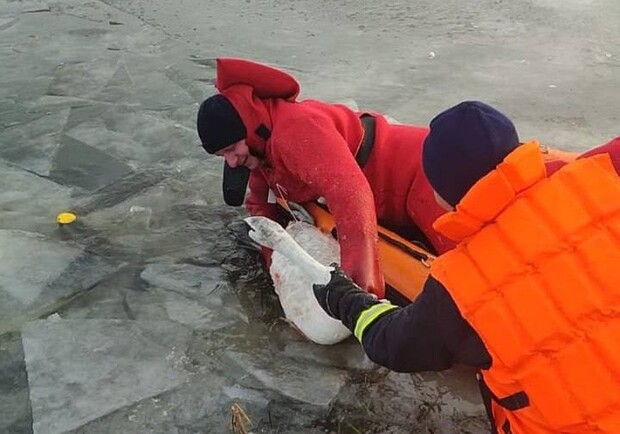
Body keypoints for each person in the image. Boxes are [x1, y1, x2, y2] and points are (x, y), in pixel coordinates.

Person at [312, 101, 620, 434]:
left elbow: (396, 344)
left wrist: (345, 300)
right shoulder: (600, 177)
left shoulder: (460, 286)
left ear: (442, 194)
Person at [196, 57, 458, 298]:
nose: (232, 162)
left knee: (462, 273)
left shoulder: (296, 129)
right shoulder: (259, 148)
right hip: (385, 195)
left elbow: (349, 193)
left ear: (248, 129)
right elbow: (262, 207)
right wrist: (277, 265)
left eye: (232, 149)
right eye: (222, 155)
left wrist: (360, 290)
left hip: (424, 174)